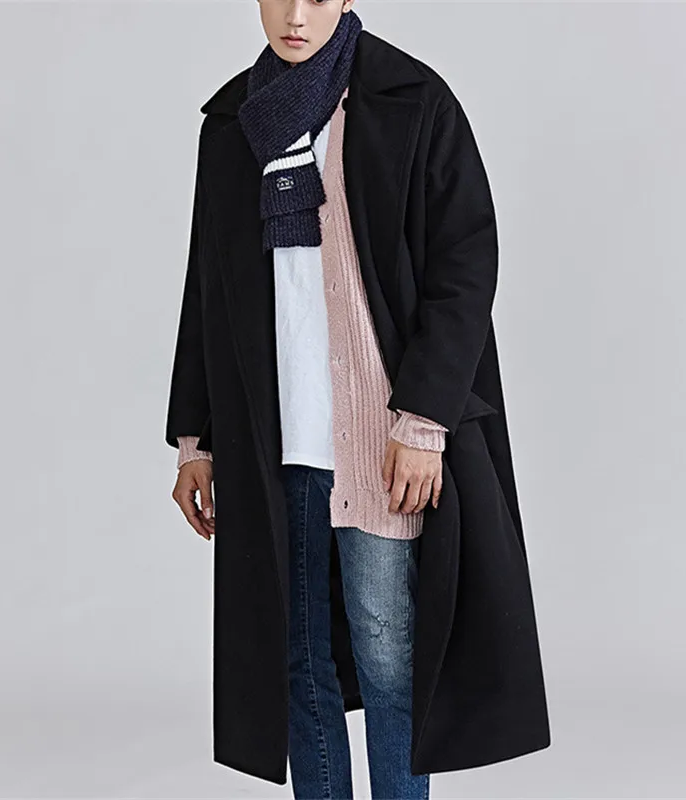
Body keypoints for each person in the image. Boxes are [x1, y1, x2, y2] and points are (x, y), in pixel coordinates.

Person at [166, 0, 551, 796]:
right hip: (276, 441)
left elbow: (464, 266)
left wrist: (424, 421)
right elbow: (209, 285)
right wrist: (195, 439)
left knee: (389, 659)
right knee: (297, 662)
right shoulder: (233, 124)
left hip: (380, 441)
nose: (295, 16)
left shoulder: (411, 99)